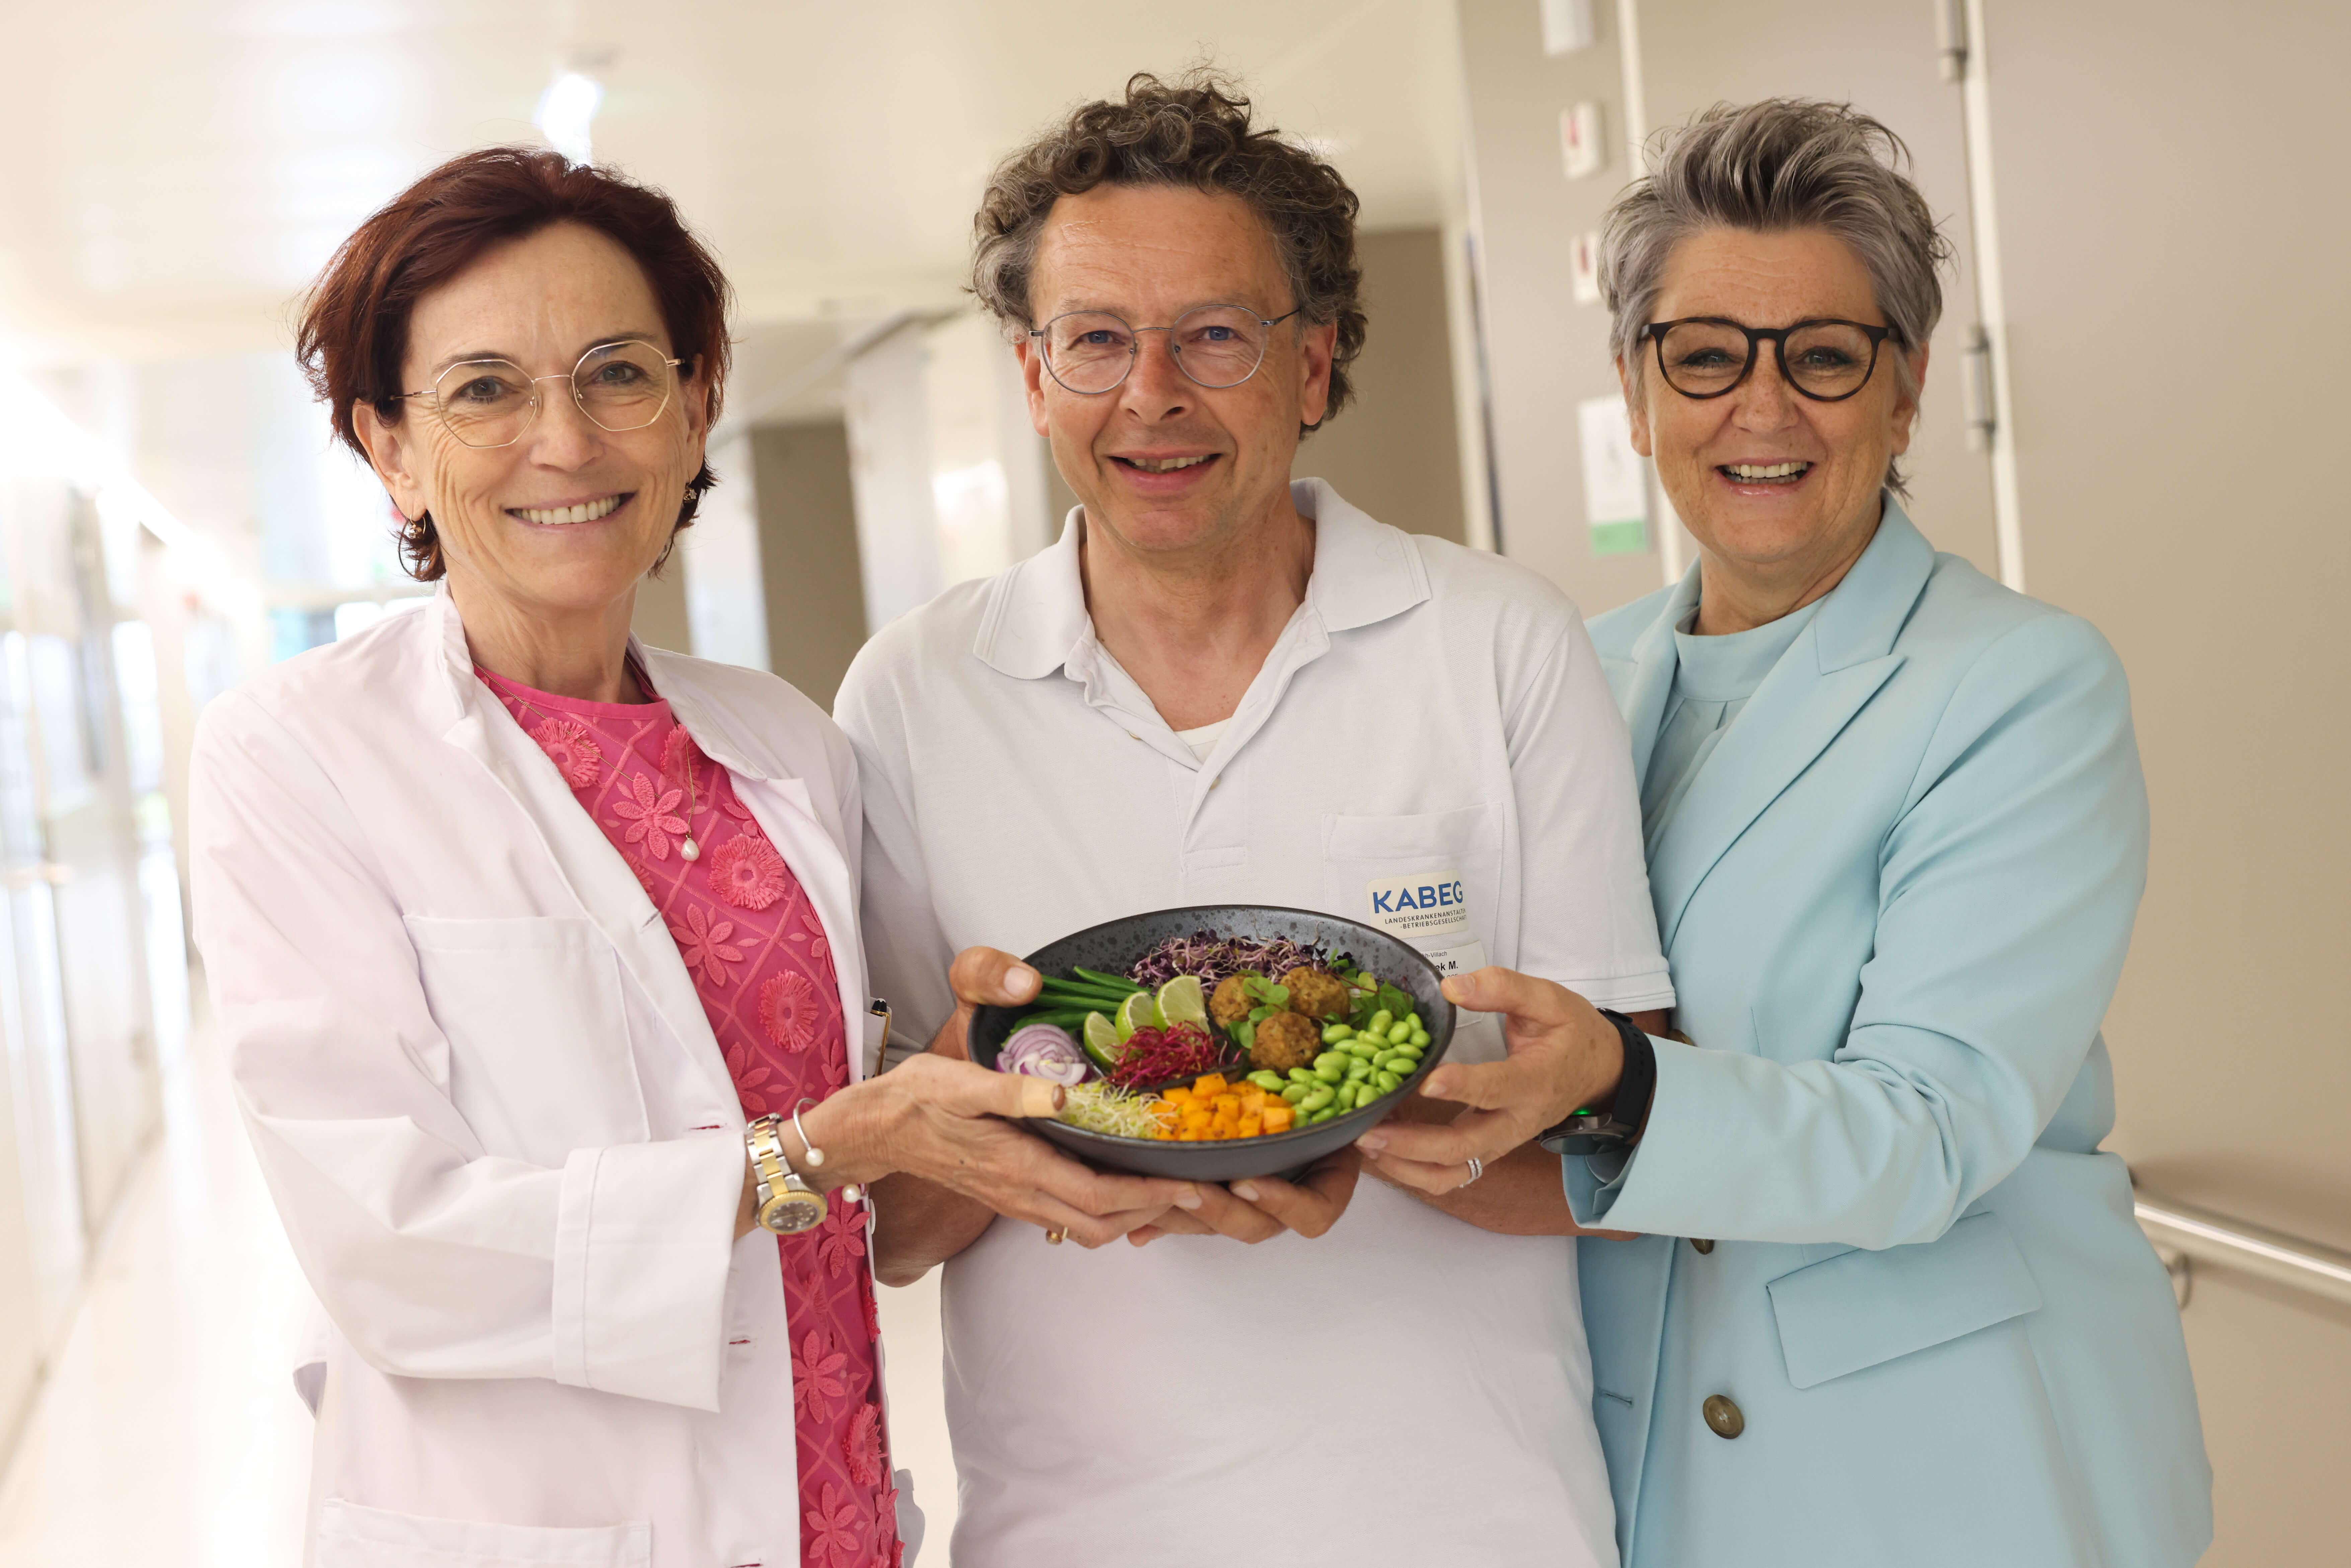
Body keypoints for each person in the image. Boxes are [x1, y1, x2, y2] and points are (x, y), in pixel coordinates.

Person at [190, 147, 1191, 1568]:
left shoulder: (786, 742)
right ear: (391, 448)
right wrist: (809, 1155)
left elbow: (878, 1162)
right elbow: (389, 1248)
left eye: (617, 373)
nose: (565, 440)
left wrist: (989, 1056)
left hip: (826, 1501)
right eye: (484, 390)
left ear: (696, 403)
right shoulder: (301, 753)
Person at [836, 73, 1674, 1568]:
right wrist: (988, 1074)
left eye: (1216, 334)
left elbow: (1637, 1153)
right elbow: (890, 1231)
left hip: (1474, 1530)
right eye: (1096, 338)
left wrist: (1385, 1127)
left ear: (1314, 361)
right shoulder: (914, 692)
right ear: (1033, 376)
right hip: (1074, 1539)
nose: (1151, 393)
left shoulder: (1499, 642)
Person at [1361, 100, 2211, 1568]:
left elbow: (1931, 1126)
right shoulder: (1571, 672)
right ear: (1637, 393)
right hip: (1650, 1472)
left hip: (1952, 1481)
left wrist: (1619, 1078)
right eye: (1704, 355)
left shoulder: (2020, 685)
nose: (1761, 410)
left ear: (1907, 388)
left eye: (1822, 355)